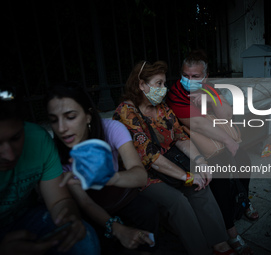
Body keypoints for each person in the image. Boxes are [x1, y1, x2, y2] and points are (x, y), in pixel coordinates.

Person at [113, 61, 237, 255]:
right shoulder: (126, 113)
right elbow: (149, 157)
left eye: (164, 83)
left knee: (200, 186)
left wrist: (200, 162)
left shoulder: (161, 107)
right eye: (159, 83)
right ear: (141, 85)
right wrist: (187, 176)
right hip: (144, 174)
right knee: (177, 202)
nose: (164, 89)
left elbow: (179, 136)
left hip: (170, 163)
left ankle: (220, 244)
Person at [46, 82, 158, 253]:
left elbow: (140, 175)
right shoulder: (55, 156)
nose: (61, 128)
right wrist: (117, 229)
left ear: (88, 116)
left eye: (70, 117)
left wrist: (111, 178)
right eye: (54, 120)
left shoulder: (112, 129)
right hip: (93, 211)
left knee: (148, 212)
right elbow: (85, 203)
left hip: (120, 196)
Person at [166, 50, 255, 255]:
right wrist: (228, 140)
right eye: (185, 75)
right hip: (195, 146)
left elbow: (227, 114)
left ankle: (244, 201)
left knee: (245, 163)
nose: (189, 80)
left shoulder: (209, 88)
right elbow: (195, 123)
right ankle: (230, 232)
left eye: (195, 76)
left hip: (219, 140)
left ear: (205, 76)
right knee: (220, 181)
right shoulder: (176, 92)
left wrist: (208, 98)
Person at [0, 86, 100, 255]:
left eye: (16, 138)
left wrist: (69, 218)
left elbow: (59, 201)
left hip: (26, 217)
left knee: (82, 239)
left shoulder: (38, 139)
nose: (9, 156)